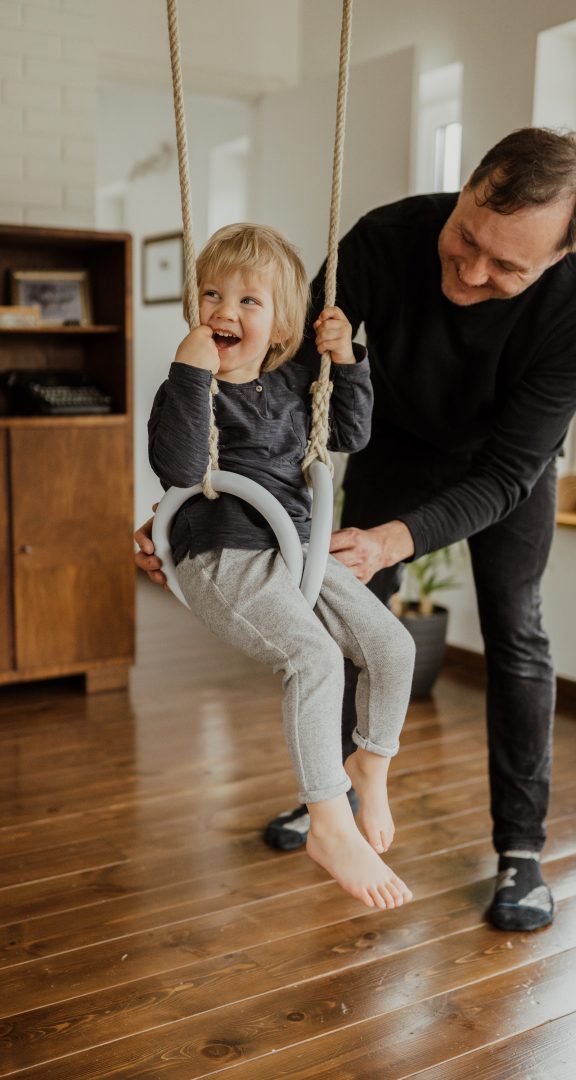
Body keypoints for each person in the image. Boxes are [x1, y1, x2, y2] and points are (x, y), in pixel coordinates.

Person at [136, 127, 576, 932]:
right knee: (338, 623)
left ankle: (519, 851)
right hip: (392, 441)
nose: (472, 273)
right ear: (469, 183)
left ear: (554, 261)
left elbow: (511, 474)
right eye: (468, 237)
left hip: (502, 470)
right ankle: (330, 794)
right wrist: (191, 504)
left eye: (508, 266)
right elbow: (280, 363)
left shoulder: (571, 311)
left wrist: (394, 540)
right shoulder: (385, 238)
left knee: (517, 637)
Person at [148, 222, 415, 911]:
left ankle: (370, 766)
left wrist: (347, 361)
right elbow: (177, 467)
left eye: (249, 300)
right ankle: (327, 821)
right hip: (225, 555)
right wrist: (189, 370)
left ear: (283, 324)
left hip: (295, 546)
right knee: (316, 661)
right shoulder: (194, 388)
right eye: (212, 294)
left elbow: (350, 434)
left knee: (392, 644)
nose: (225, 312)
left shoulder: (298, 380)